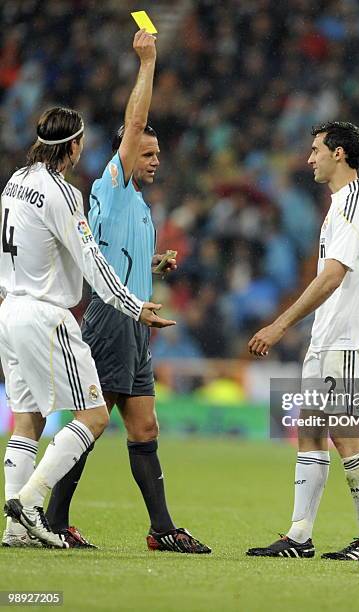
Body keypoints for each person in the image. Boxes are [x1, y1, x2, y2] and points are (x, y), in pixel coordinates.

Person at [45, 29, 210, 554]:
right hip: (113, 321)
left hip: (134, 323)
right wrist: (147, 63)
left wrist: (153, 265)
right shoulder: (112, 185)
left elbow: (118, 260)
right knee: (90, 423)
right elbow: (134, 121)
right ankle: (51, 520)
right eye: (148, 150)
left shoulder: (137, 203)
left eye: (159, 151)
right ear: (126, 151)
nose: (156, 158)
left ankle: (161, 530)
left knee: (144, 426)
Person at [1, 105, 174, 549]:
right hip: (46, 313)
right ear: (75, 145)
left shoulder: (16, 183)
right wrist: (134, 305)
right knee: (93, 416)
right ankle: (34, 503)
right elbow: (93, 260)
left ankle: (15, 530)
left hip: (11, 307)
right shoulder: (64, 193)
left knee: (27, 421)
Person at [246, 121, 359, 559]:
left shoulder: (354, 204)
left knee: (345, 434)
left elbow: (332, 276)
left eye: (316, 150)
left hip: (347, 336)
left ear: (339, 153)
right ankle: (299, 536)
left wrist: (280, 324)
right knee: (310, 430)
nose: (309, 158)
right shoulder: (339, 204)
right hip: (326, 336)